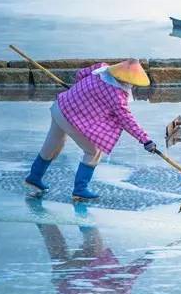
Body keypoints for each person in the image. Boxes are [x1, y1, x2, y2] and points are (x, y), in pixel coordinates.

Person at [25, 59, 158, 201]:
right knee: (94, 151)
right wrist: (145, 140)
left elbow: (81, 74)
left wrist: (80, 91)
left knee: (53, 145)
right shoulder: (117, 95)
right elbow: (126, 119)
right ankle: (80, 189)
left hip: (60, 106)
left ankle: (34, 177)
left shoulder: (101, 68)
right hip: (71, 117)